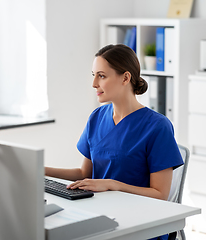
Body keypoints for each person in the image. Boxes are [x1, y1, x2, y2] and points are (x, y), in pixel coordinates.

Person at [45, 44, 183, 240]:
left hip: (141, 223)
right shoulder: (96, 117)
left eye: (101, 76)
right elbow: (84, 174)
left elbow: (160, 194)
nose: (94, 83)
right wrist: (40, 170)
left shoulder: (157, 126)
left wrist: (113, 184)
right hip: (100, 213)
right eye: (93, 75)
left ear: (125, 78)